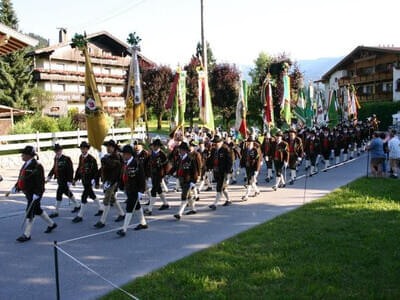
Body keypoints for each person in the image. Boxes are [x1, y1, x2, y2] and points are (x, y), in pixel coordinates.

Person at [11, 146, 57, 242]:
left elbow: (40, 182)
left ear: (29, 155)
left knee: (30, 211)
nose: (21, 156)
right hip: (28, 192)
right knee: (37, 210)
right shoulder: (25, 165)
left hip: (35, 193)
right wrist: (16, 186)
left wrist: (37, 193)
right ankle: (52, 224)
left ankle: (27, 234)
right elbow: (22, 177)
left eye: (23, 154)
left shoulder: (37, 166)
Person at [117, 145, 147, 237]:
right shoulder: (125, 163)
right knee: (136, 206)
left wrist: (141, 191)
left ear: (129, 154)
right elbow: (122, 176)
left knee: (129, 208)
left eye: (125, 154)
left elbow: (142, 178)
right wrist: (121, 186)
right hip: (128, 189)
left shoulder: (137, 164)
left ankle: (124, 229)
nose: (123, 156)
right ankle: (143, 223)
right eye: (123, 154)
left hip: (135, 190)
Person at [94, 140, 125, 228]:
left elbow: (111, 165)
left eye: (110, 146)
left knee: (106, 199)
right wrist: (96, 179)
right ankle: (122, 214)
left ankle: (102, 221)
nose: (108, 148)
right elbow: (102, 169)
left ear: (114, 148)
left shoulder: (117, 157)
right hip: (107, 181)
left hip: (113, 181)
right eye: (107, 146)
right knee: (112, 198)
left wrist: (102, 157)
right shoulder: (108, 156)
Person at [71, 142, 102, 223]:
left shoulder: (92, 159)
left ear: (87, 149)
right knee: (92, 195)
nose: (83, 150)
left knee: (83, 197)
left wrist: (96, 182)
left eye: (84, 148)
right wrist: (75, 179)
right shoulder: (81, 157)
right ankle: (101, 208)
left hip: (89, 180)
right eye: (81, 148)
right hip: (84, 180)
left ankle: (80, 215)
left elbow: (96, 171)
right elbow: (79, 168)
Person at [47, 144, 80, 218]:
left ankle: (56, 211)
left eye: (58, 150)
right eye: (55, 151)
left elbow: (70, 170)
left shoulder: (66, 159)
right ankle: (77, 205)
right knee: (67, 192)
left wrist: (70, 180)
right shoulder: (56, 158)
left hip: (65, 179)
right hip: (59, 179)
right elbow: (54, 168)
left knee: (59, 193)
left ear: (61, 150)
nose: (57, 152)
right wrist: (49, 176)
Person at [144, 139, 170, 215]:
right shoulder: (151, 154)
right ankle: (165, 204)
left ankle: (150, 209)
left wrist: (165, 174)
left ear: (158, 146)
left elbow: (166, 165)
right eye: (153, 146)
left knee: (153, 190)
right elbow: (147, 164)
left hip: (159, 174)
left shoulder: (162, 154)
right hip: (153, 174)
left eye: (155, 146)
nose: (153, 147)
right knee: (158, 189)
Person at [174, 142, 199, 219]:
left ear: (185, 150)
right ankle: (193, 209)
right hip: (181, 180)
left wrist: (193, 181)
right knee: (189, 196)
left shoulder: (190, 159)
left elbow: (195, 171)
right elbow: (176, 167)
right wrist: (170, 172)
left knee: (184, 195)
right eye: (179, 149)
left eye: (181, 150)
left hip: (188, 180)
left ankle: (179, 213)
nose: (179, 151)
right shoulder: (179, 158)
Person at [207, 136, 233, 209]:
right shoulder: (213, 150)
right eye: (214, 143)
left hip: (223, 172)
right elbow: (211, 159)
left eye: (216, 143)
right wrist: (209, 167)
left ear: (221, 142)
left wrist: (228, 172)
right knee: (223, 187)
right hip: (216, 171)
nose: (215, 144)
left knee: (219, 187)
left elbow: (230, 161)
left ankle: (215, 204)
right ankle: (228, 200)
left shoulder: (226, 149)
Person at [241, 136, 261, 201]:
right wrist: (240, 166)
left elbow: (258, 161)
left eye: (250, 142)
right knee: (251, 182)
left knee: (249, 181)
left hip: (253, 168)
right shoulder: (245, 150)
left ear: (253, 142)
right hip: (247, 167)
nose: (249, 143)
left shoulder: (255, 150)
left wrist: (257, 171)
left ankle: (246, 196)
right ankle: (257, 191)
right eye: (248, 142)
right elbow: (243, 158)